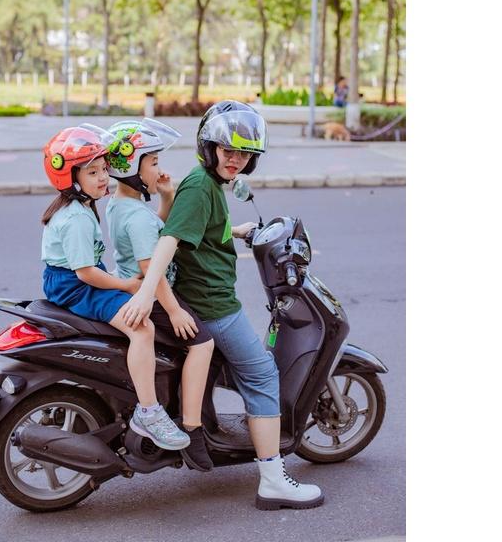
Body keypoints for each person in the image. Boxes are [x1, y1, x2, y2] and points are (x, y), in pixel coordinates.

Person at [122, 101, 324, 510]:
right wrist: (146, 292)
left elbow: (200, 229)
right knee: (262, 373)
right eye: (228, 150)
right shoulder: (200, 186)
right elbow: (170, 239)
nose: (236, 160)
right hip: (212, 304)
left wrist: (234, 230)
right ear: (209, 147)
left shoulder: (208, 184)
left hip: (205, 297)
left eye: (244, 154)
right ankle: (273, 479)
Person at [40, 123, 189, 452]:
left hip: (73, 280)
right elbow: (85, 274)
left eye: (104, 169)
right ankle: (149, 412)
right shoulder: (76, 218)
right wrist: (126, 285)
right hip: (75, 287)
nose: (102, 178)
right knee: (142, 327)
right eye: (92, 172)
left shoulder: (82, 207)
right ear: (70, 178)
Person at [104, 118, 215, 471]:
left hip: (139, 289)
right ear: (131, 169)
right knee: (203, 343)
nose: (159, 169)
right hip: (152, 298)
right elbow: (153, 267)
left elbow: (157, 231)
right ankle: (193, 429)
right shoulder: (135, 216)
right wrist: (174, 310)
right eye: (152, 162)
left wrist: (166, 197)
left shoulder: (122, 205)